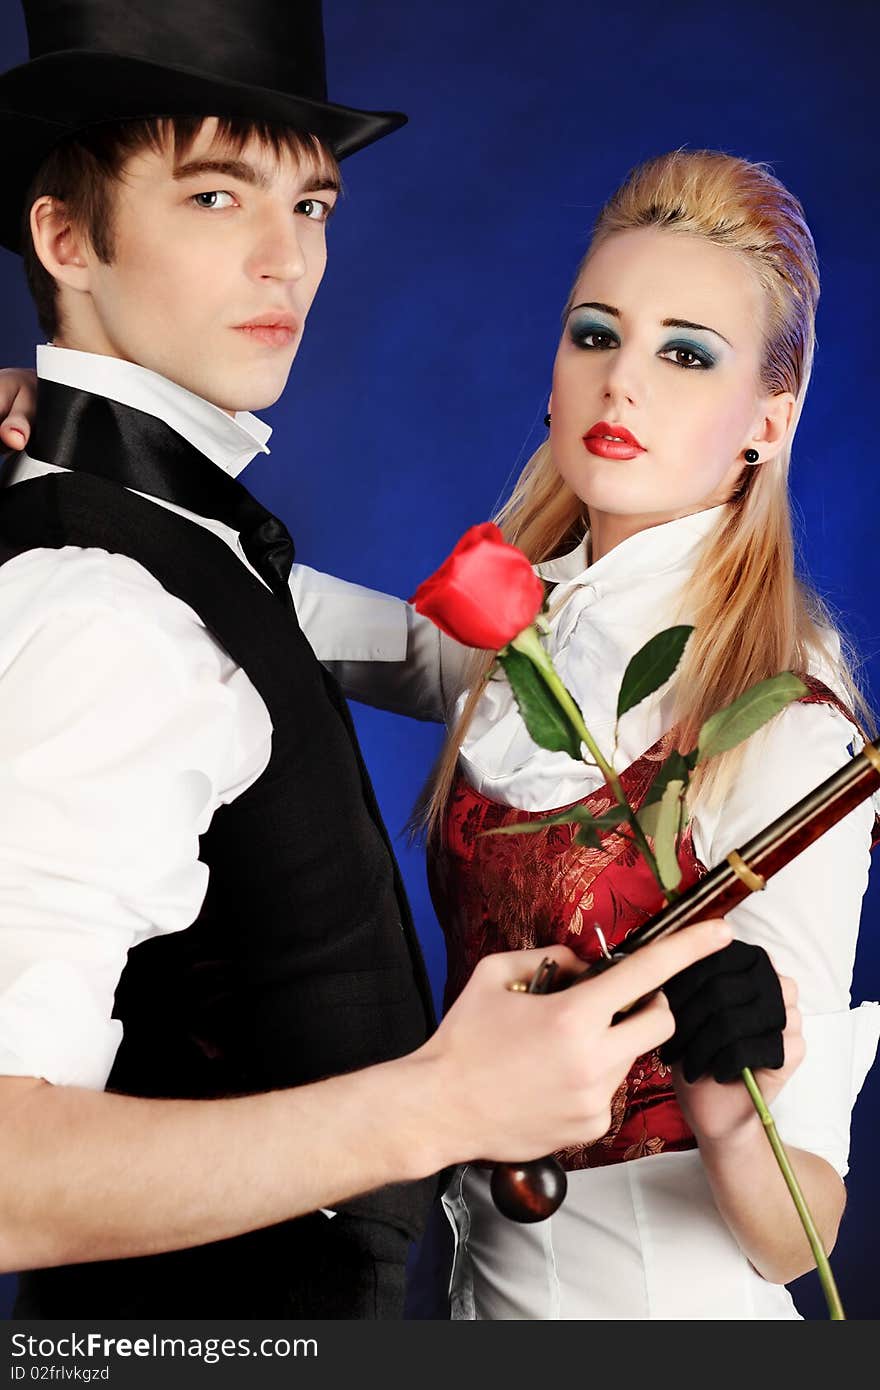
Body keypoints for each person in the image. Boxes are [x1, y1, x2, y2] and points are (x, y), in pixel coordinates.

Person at [11, 149, 863, 1321]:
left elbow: (797, 1235)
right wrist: (80, 435)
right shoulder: (507, 633)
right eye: (596, 335)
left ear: (768, 419)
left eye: (685, 354)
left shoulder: (785, 720)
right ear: (552, 372)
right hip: (471, 1296)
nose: (624, 386)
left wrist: (731, 1101)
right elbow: (253, 598)